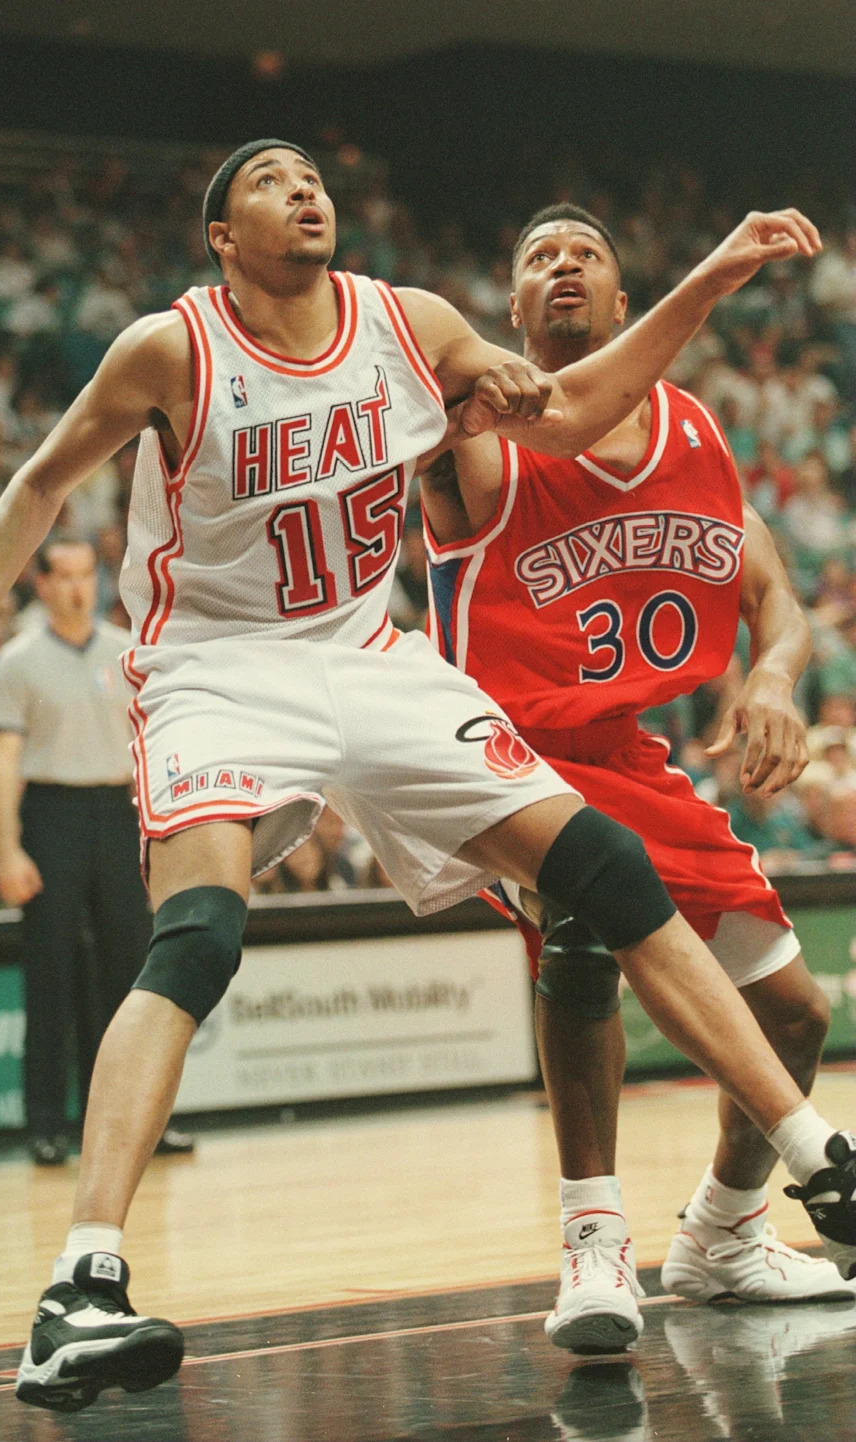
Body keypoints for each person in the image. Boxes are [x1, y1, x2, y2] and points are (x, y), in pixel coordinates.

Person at [0, 141, 852, 1414]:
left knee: (604, 868)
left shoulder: (411, 324)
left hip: (369, 652)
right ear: (222, 236)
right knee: (196, 935)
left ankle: (815, 1151)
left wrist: (717, 274)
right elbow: (34, 485)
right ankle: (79, 1283)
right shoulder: (168, 348)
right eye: (269, 177)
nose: (304, 187)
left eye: (313, 174)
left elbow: (572, 409)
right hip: (214, 669)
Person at [420, 202, 856, 1355]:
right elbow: (535, 420)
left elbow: (777, 595)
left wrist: (769, 678)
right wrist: (715, 274)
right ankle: (592, 1236)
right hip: (503, 756)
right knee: (581, 928)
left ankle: (722, 1232)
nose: (562, 267)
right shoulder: (470, 430)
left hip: (629, 754)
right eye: (537, 258)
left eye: (588, 256)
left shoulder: (696, 432)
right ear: (512, 311)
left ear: (621, 302)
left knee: (796, 1012)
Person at [0, 538, 194, 1164]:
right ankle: (47, 1125)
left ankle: (138, 1126)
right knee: (50, 975)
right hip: (50, 814)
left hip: (121, 814)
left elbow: (154, 748)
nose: (78, 587)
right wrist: (7, 847)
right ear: (42, 585)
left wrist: (166, 831)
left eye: (86, 574)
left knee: (135, 977)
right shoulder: (18, 661)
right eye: (64, 576)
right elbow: (3, 759)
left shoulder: (125, 652)